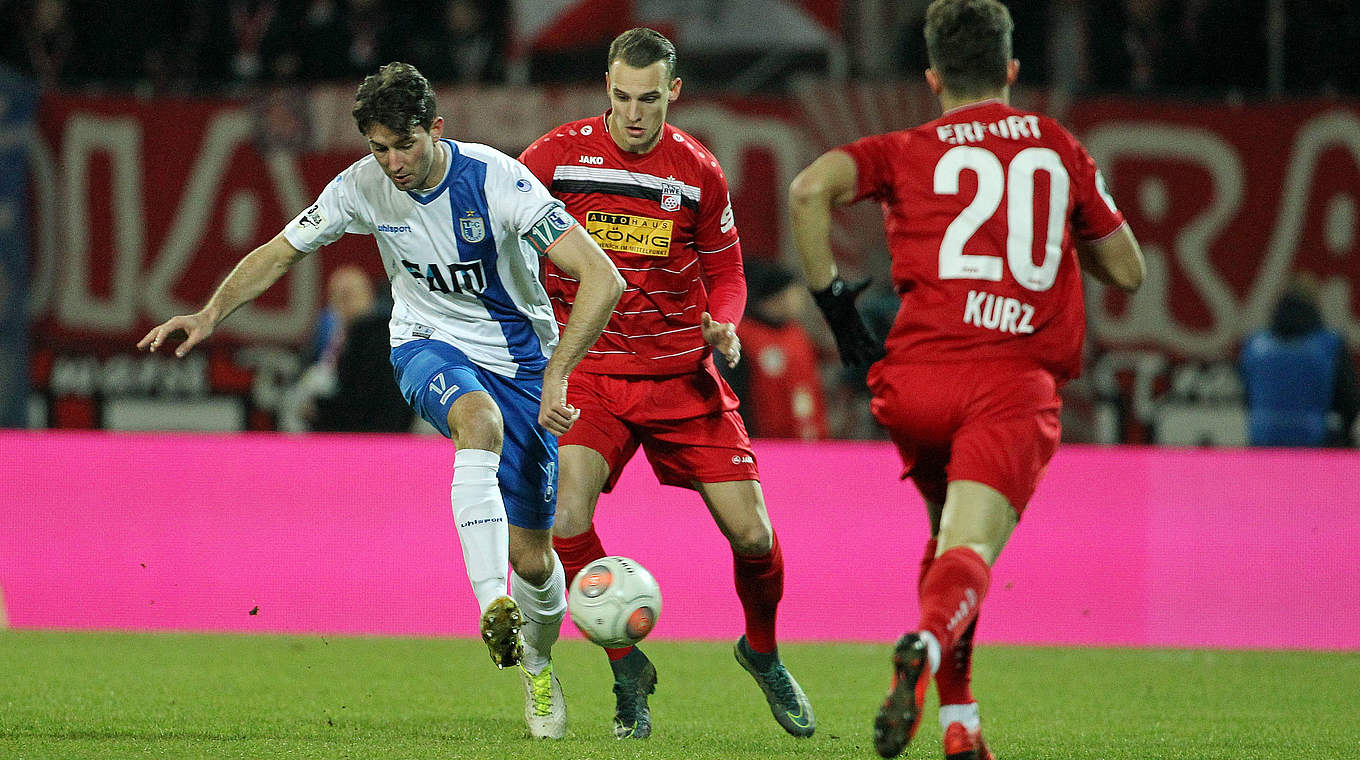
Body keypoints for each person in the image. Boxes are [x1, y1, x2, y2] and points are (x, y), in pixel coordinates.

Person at [138, 62, 624, 740]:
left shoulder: (497, 180)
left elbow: (602, 278)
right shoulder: (361, 187)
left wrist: (557, 375)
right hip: (425, 343)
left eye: (406, 144)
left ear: (437, 130)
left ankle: (536, 665)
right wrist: (210, 313)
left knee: (536, 559)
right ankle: (493, 609)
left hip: (520, 362)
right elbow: (281, 251)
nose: (392, 162)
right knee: (474, 423)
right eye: (379, 147)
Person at [787, 1, 1146, 757]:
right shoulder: (1057, 147)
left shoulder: (907, 145)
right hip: (1008, 384)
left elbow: (807, 191)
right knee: (971, 553)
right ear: (1012, 70)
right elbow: (1128, 269)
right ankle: (920, 642)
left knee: (948, 546)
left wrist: (837, 311)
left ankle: (960, 724)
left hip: (912, 381)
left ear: (932, 76)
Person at [518, 27, 816, 740]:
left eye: (649, 99)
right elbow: (504, 230)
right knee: (565, 523)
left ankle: (762, 651)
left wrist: (726, 322)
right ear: (607, 89)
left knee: (754, 535)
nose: (634, 114)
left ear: (673, 93)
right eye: (621, 97)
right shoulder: (553, 159)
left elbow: (730, 272)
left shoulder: (698, 171)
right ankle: (627, 669)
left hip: (682, 375)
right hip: (593, 374)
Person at [280, 264, 414, 433]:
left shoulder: (380, 338)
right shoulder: (327, 328)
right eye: (335, 296)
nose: (341, 303)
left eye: (348, 295)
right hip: (324, 415)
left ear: (369, 296)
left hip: (368, 429)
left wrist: (319, 409)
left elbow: (365, 399)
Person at [1239, 272, 1358, 447]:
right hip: (1314, 443)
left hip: (1263, 442)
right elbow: (1350, 403)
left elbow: (1249, 398)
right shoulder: (1330, 345)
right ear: (1316, 304)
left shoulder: (1254, 345)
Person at [723, 258, 829, 440]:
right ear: (775, 298)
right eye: (794, 293)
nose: (801, 299)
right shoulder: (740, 336)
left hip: (810, 439)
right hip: (763, 443)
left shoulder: (797, 333)